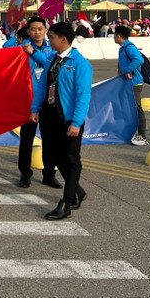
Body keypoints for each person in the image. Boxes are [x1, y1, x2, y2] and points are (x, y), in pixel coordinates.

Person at [27, 22, 92, 220]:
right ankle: (76, 190)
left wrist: (76, 122)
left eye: (52, 36)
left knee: (71, 159)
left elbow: (83, 96)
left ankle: (67, 201)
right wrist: (35, 109)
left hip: (69, 118)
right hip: (49, 115)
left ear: (63, 39)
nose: (49, 40)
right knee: (53, 155)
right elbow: (41, 87)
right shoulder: (50, 59)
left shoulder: (80, 64)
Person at [9, 17, 58, 188]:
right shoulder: (19, 48)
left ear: (46, 30)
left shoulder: (52, 47)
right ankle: (25, 174)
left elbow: (51, 64)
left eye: (40, 29)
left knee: (50, 138)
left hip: (49, 99)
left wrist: (33, 53)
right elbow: (4, 52)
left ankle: (49, 174)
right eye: (33, 29)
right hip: (28, 100)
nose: (37, 32)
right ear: (28, 31)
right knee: (27, 139)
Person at [113, 25, 148, 146]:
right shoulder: (122, 48)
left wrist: (128, 70)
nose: (113, 37)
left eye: (114, 35)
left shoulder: (129, 47)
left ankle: (142, 136)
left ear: (118, 36)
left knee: (137, 110)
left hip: (134, 83)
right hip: (126, 83)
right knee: (127, 109)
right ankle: (130, 133)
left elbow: (139, 60)